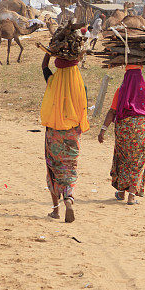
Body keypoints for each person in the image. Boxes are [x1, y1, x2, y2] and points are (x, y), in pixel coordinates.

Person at [40, 53, 90, 222]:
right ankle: (68, 198)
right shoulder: (81, 87)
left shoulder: (52, 81)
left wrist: (48, 52)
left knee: (53, 169)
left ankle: (56, 209)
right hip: (72, 134)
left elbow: (44, 67)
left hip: (53, 133)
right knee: (69, 168)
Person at [98, 65, 145, 205]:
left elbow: (112, 112)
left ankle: (121, 192)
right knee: (138, 161)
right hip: (143, 130)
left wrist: (103, 130)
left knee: (123, 158)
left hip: (124, 130)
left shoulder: (121, 91)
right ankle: (131, 195)